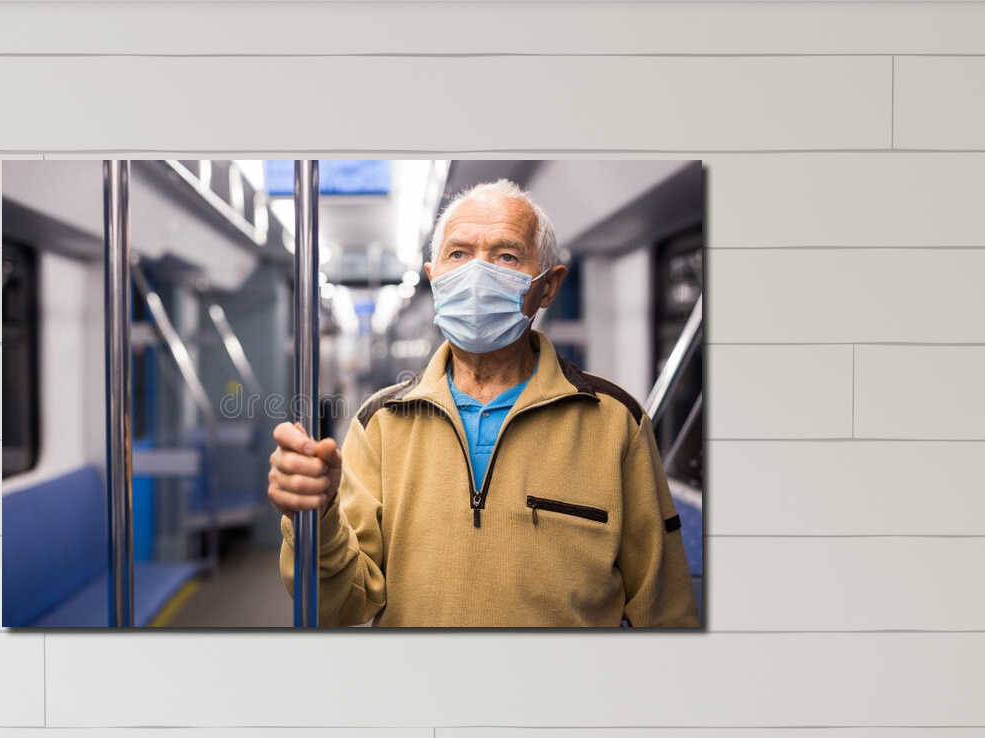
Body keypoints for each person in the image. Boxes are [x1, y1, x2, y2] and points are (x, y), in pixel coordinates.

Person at [268, 179, 698, 628]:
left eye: (506, 256)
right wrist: (316, 520)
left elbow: (666, 613)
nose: (477, 274)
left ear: (548, 286)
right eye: (458, 254)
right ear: (435, 280)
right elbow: (337, 606)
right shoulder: (381, 423)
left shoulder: (616, 424)